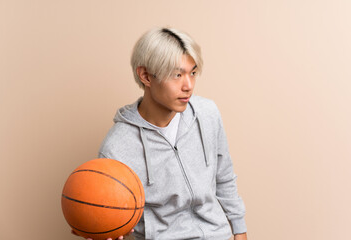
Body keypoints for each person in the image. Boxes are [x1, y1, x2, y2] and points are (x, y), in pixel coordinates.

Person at [90, 27, 247, 240]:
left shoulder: (207, 113)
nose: (188, 85)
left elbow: (224, 176)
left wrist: (239, 230)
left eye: (192, 72)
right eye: (177, 75)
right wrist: (99, 225)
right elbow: (109, 213)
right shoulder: (117, 147)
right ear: (145, 75)